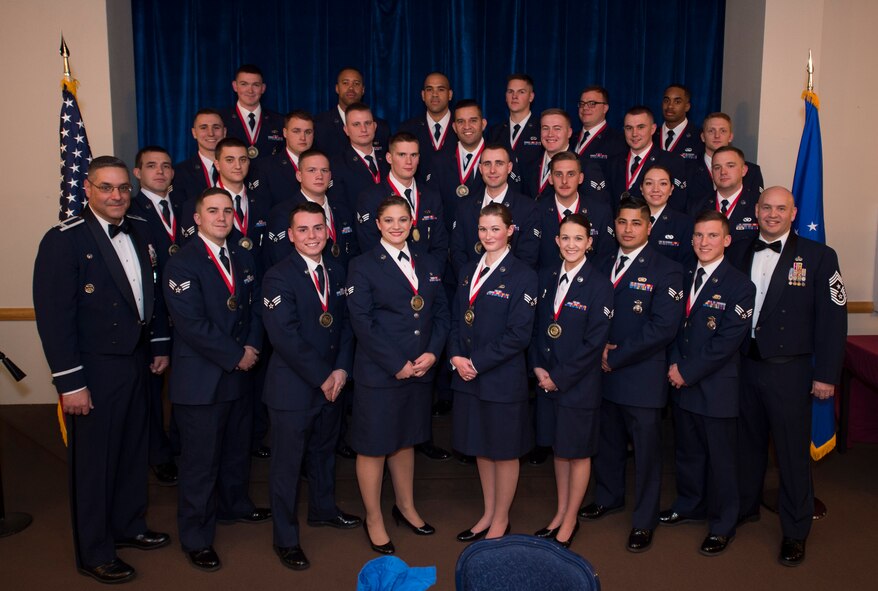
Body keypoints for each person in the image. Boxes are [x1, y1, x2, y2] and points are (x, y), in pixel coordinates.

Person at [33, 156, 171, 584]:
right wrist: (71, 382)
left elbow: (154, 295)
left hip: (135, 360)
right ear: (87, 190)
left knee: (132, 449)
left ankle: (129, 525)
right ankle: (94, 551)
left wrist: (159, 345)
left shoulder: (143, 230)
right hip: (92, 368)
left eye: (123, 188)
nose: (116, 195)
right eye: (106, 187)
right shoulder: (64, 240)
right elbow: (55, 317)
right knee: (94, 463)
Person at [728, 186, 847, 566]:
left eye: (781, 208)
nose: (773, 214)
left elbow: (833, 321)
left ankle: (795, 531)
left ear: (794, 213)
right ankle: (745, 507)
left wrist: (826, 375)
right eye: (767, 207)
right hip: (744, 365)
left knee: (792, 455)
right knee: (746, 445)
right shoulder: (739, 249)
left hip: (790, 372)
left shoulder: (820, 257)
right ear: (756, 210)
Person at [163, 187, 270, 572]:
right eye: (213, 211)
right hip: (202, 378)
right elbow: (192, 324)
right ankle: (196, 536)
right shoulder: (183, 262)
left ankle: (234, 505)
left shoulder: (241, 255)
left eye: (227, 210)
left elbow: (256, 306)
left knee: (236, 448)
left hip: (240, 373)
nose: (222, 217)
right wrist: (235, 354)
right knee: (200, 462)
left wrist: (253, 346)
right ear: (197, 218)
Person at [346, 196, 450, 554]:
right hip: (382, 371)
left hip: (421, 369)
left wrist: (433, 352)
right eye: (388, 220)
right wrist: (396, 363)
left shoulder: (429, 261)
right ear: (377, 223)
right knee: (374, 446)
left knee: (406, 439)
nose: (395, 226)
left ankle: (405, 507)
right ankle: (373, 517)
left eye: (402, 219)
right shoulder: (362, 265)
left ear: (412, 222)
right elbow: (363, 322)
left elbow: (441, 312)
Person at [579, 196, 684, 553]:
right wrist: (598, 352)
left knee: (646, 453)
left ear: (648, 227)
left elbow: (664, 327)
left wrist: (617, 355)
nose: (627, 229)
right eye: (622, 222)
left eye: (636, 223)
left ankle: (644, 519)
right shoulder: (601, 262)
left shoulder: (666, 269)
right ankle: (609, 497)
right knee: (606, 442)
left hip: (641, 376)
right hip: (602, 374)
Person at [261, 202, 362, 571]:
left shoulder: (337, 270)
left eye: (318, 228)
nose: (312, 236)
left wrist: (340, 372)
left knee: (323, 454)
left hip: (332, 385)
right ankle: (285, 538)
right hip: (294, 390)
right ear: (290, 235)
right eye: (303, 230)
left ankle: (323, 509)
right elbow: (285, 337)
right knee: (287, 467)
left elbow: (347, 327)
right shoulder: (277, 276)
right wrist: (324, 376)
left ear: (327, 231)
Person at [662, 210, 755, 556]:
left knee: (721, 459)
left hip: (715, 386)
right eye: (699, 235)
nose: (704, 242)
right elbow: (672, 325)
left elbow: (727, 342)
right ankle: (689, 504)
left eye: (712, 236)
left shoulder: (740, 285)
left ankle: (723, 523)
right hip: (680, 380)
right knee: (688, 452)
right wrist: (674, 364)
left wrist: (687, 371)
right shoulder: (683, 274)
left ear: (727, 240)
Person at [449, 203, 538, 542]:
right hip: (468, 375)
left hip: (500, 377)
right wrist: (456, 355)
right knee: (481, 447)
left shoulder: (523, 275)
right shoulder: (468, 270)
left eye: (495, 229)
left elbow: (518, 335)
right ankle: (487, 512)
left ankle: (501, 519)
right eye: (483, 229)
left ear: (510, 231)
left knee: (504, 450)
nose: (488, 235)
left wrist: (476, 363)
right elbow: (458, 319)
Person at [530, 213, 614, 549]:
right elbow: (537, 329)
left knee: (577, 453)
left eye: (578, 238)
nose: (571, 244)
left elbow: (594, 343)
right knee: (559, 450)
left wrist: (559, 378)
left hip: (577, 385)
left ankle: (571, 518)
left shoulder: (599, 285)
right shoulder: (546, 276)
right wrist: (538, 368)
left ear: (589, 243)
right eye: (565, 238)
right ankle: (561, 511)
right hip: (547, 380)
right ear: (556, 241)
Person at [130, 146, 182, 486]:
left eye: (165, 166)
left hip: (189, 311)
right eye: (151, 166)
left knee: (186, 388)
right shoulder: (131, 211)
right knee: (151, 391)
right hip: (153, 314)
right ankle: (157, 454)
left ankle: (179, 446)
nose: (160, 172)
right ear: (138, 173)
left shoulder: (186, 206)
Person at [356, 131, 449, 265]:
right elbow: (370, 247)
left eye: (413, 155)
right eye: (402, 155)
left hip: (427, 278)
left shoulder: (431, 196)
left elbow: (440, 245)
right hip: (387, 279)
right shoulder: (371, 197)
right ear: (389, 158)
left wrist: (429, 277)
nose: (409, 161)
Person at [451, 143, 540, 276]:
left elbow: (527, 257)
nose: (492, 170)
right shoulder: (465, 207)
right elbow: (457, 253)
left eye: (499, 163)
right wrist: (472, 282)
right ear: (480, 168)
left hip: (510, 288)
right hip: (471, 285)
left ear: (509, 167)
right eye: (487, 164)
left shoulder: (527, 208)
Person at [265, 149, 358, 270]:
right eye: (312, 170)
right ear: (299, 176)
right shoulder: (282, 213)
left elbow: (353, 253)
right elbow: (281, 259)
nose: (319, 176)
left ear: (330, 176)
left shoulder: (342, 210)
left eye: (324, 171)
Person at [537, 152, 614, 269]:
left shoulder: (600, 212)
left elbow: (606, 258)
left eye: (571, 174)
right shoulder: (536, 210)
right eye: (558, 175)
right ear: (550, 179)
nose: (564, 181)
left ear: (580, 178)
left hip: (589, 284)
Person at [608, 106, 688, 211]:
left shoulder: (672, 162)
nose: (634, 134)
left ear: (653, 129)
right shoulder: (613, 163)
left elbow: (678, 204)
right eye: (629, 128)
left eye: (640, 127)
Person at [428, 99, 488, 232]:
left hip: (490, 240)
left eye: (473, 120)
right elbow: (434, 207)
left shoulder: (499, 157)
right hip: (450, 241)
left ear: (483, 124)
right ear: (454, 127)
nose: (467, 126)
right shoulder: (439, 160)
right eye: (461, 122)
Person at [523, 108, 605, 201]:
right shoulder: (530, 166)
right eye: (545, 128)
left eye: (557, 128)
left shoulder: (586, 167)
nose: (550, 134)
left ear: (569, 133)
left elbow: (598, 209)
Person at [686, 112, 764, 207]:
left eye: (723, 131)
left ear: (730, 136)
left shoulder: (751, 171)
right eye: (711, 131)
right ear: (702, 137)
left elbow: (757, 206)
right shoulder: (686, 169)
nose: (717, 136)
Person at [687, 146, 760, 245]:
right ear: (712, 172)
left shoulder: (758, 205)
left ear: (744, 170)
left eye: (730, 166)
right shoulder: (696, 206)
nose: (723, 172)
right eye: (717, 167)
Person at [313, 68, 391, 160]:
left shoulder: (381, 127)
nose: (351, 88)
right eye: (345, 83)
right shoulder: (319, 124)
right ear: (337, 88)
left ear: (363, 90)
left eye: (356, 83)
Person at [219, 64, 285, 163]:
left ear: (263, 88)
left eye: (256, 85)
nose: (250, 90)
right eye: (244, 84)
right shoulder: (221, 119)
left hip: (270, 177)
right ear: (235, 86)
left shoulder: (279, 121)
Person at [330, 102, 390, 211]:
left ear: (375, 126)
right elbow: (339, 207)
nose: (363, 129)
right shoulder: (337, 165)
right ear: (346, 130)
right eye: (356, 124)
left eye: (367, 123)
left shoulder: (389, 160)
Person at [398, 72, 457, 182]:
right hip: (419, 196)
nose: (435, 94)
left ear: (450, 95)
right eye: (429, 89)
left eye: (441, 89)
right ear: (423, 95)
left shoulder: (463, 127)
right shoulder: (408, 128)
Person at [487, 74, 542, 185]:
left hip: (532, 198)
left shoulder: (542, 129)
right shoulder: (495, 131)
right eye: (510, 92)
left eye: (521, 92)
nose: (514, 96)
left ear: (531, 97)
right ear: (505, 96)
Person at [641, 165, 695, 267]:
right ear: (641, 188)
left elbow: (687, 265)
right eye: (649, 183)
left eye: (663, 183)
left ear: (671, 189)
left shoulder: (685, 224)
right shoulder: (629, 220)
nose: (655, 189)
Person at [262, 110, 316, 208]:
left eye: (308, 132)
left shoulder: (324, 164)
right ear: (285, 133)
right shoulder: (267, 168)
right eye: (296, 131)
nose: (303, 137)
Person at [172, 109, 226, 206]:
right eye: (203, 127)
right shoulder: (179, 173)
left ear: (224, 132)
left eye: (216, 127)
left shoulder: (238, 169)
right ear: (194, 133)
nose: (211, 133)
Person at [573, 86, 627, 177]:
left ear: (605, 108)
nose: (585, 107)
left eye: (592, 103)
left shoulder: (619, 141)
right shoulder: (570, 138)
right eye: (582, 103)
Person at [654, 84, 703, 160]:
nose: (670, 106)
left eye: (677, 102)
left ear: (687, 107)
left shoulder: (700, 137)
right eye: (666, 101)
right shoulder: (651, 136)